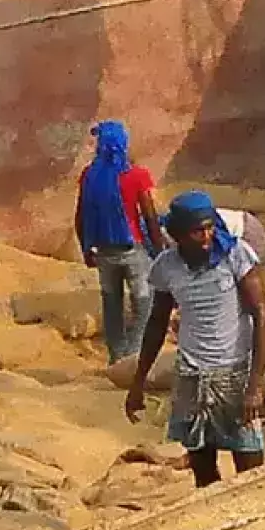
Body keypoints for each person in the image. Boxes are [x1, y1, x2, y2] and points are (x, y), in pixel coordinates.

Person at [127, 191, 265, 488]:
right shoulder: (167, 266)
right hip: (192, 377)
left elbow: (262, 315)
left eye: (209, 228)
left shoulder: (237, 255)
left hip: (234, 374)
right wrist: (139, 381)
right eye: (197, 231)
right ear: (179, 235)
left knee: (251, 470)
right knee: (203, 470)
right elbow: (157, 322)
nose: (207, 237)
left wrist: (254, 385)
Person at [74, 121, 163, 361]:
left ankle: (115, 356)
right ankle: (133, 354)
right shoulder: (137, 175)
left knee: (112, 305)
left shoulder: (89, 176)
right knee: (144, 303)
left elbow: (80, 216)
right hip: (133, 250)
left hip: (103, 252)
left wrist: (86, 249)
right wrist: (160, 251)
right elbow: (150, 217)